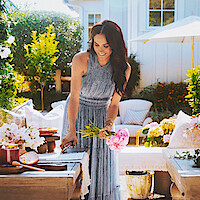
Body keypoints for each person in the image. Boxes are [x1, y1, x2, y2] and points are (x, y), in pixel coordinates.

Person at [60, 20, 131, 200]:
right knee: (78, 170)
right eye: (96, 44)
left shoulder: (124, 69)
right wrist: (71, 130)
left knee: (102, 169)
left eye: (106, 46)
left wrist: (108, 126)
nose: (100, 50)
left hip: (102, 116)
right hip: (78, 114)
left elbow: (114, 104)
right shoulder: (81, 59)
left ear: (115, 45)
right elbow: (74, 97)